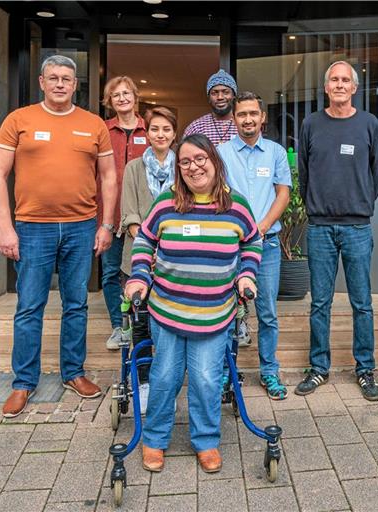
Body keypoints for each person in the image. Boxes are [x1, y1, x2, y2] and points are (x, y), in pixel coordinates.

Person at [124, 134, 262, 474]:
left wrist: (246, 275)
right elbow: (144, 239)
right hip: (168, 311)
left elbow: (252, 242)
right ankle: (154, 439)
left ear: (214, 160)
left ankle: (206, 440)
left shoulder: (236, 206)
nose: (193, 167)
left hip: (214, 314)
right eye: (185, 162)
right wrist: (139, 275)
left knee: (205, 378)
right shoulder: (166, 203)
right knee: (165, 376)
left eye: (200, 159)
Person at [0, 55, 117, 417]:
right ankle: (24, 382)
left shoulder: (93, 125)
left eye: (67, 79)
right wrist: (4, 227)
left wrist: (106, 225)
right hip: (32, 227)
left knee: (76, 304)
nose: (60, 84)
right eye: (54, 78)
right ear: (42, 82)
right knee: (30, 306)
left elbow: (108, 177)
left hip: (81, 226)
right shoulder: (19, 120)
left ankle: (73, 373)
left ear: (76, 85)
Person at [296, 61, 378, 401]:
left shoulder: (368, 124)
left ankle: (365, 369)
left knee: (362, 303)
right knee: (320, 302)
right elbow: (304, 172)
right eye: (334, 78)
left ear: (355, 87)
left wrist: (358, 202)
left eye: (346, 79)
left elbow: (376, 175)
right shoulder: (311, 124)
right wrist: (318, 204)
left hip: (357, 227)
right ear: (326, 86)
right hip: (319, 227)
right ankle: (318, 368)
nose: (340, 84)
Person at [218, 91, 291, 400]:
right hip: (228, 245)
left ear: (262, 118)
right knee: (224, 312)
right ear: (234, 119)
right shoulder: (220, 152)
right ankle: (225, 374)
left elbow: (283, 194)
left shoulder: (275, 152)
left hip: (267, 244)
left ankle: (269, 372)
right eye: (241, 114)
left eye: (252, 113)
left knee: (268, 312)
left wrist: (259, 229)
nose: (247, 119)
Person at [119, 105, 178, 414]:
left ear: (174, 134)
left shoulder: (184, 166)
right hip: (138, 260)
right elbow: (129, 212)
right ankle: (143, 384)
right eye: (155, 129)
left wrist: (166, 247)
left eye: (166, 129)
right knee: (141, 329)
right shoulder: (132, 168)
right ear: (147, 131)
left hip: (174, 262)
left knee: (170, 325)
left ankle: (169, 385)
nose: (160, 134)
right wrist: (149, 245)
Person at [102, 76, 150, 351]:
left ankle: (142, 324)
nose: (121, 98)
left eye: (126, 93)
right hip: (109, 214)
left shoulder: (150, 128)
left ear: (135, 97)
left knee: (139, 270)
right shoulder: (103, 130)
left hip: (141, 219)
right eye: (115, 95)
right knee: (110, 272)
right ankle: (119, 327)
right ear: (109, 101)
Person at [182, 69, 238, 146]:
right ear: (209, 98)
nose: (220, 97)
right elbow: (184, 155)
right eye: (214, 93)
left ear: (233, 95)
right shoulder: (196, 128)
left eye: (225, 92)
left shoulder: (243, 124)